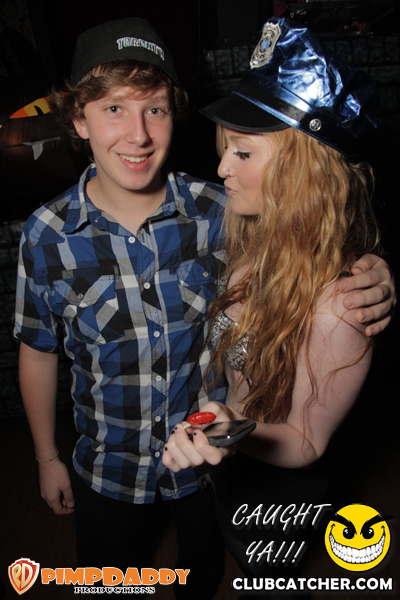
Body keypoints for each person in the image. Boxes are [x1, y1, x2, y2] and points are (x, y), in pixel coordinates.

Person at [13, 16, 394, 599]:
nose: (139, 134)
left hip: (206, 472)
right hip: (108, 470)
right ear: (78, 120)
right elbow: (38, 353)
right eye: (113, 108)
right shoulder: (45, 235)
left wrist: (375, 267)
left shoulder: (220, 209)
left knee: (201, 574)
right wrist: (46, 457)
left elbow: (305, 228)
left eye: (156, 109)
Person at [162, 16, 395, 595]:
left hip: (279, 496)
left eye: (242, 153)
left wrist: (233, 430)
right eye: (226, 150)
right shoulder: (253, 237)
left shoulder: (340, 306)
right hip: (229, 467)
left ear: (300, 173)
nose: (221, 168)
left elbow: (307, 441)